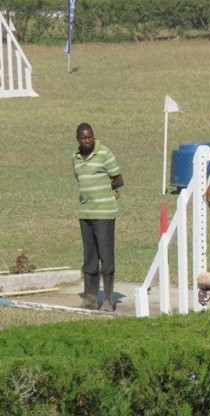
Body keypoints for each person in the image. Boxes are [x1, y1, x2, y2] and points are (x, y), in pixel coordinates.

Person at [72, 123, 123, 311]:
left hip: (104, 212)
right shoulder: (75, 157)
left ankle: (109, 301)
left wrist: (108, 190)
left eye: (90, 137)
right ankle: (90, 299)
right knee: (89, 257)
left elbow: (118, 179)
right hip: (85, 212)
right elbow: (80, 179)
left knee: (105, 255)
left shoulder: (105, 154)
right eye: (84, 138)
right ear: (77, 138)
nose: (88, 140)